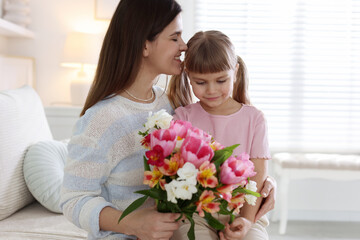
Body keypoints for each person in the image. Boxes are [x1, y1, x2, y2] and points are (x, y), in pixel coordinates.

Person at [60, 0, 275, 239]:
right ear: (145, 46)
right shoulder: (103, 119)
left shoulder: (168, 103)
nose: (184, 46)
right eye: (175, 37)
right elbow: (73, 199)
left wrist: (259, 185)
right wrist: (131, 223)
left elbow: (216, 152)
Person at [168, 30, 272, 240]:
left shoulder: (255, 119)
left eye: (221, 80)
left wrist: (246, 220)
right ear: (188, 76)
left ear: (235, 71)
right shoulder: (183, 117)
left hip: (244, 212)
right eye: (201, 82)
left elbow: (258, 176)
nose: (212, 90)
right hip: (195, 214)